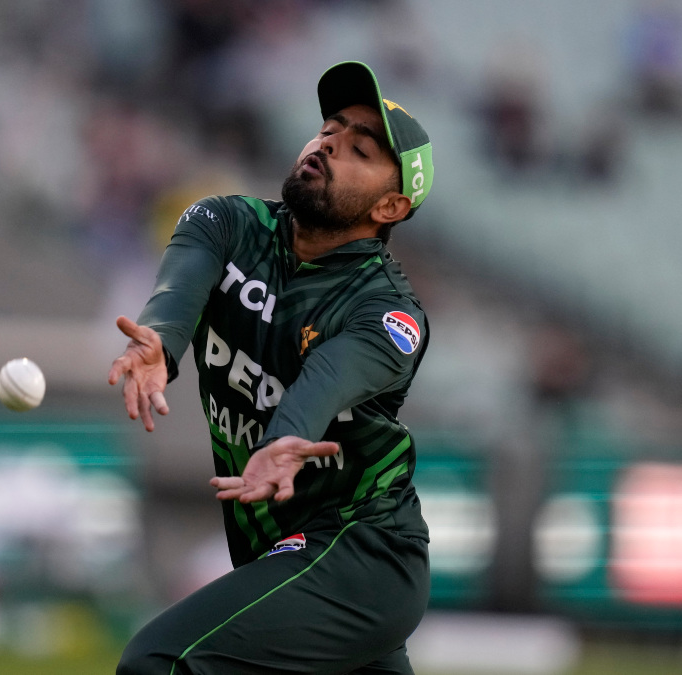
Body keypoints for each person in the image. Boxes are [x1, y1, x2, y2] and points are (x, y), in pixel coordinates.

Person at [107, 61, 434, 674]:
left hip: (359, 550)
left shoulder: (389, 312)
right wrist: (160, 343)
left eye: (359, 149)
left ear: (391, 206)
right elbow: (178, 293)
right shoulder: (225, 222)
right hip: (292, 554)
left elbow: (329, 379)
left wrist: (286, 437)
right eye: (329, 129)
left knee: (158, 663)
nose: (328, 144)